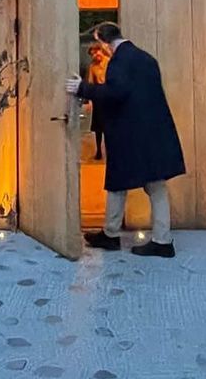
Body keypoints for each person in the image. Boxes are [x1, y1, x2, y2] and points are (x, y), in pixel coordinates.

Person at [65, 21, 185, 257]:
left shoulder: (119, 61)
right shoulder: (147, 59)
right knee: (155, 185)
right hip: (155, 131)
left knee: (118, 182)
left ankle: (113, 235)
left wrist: (82, 88)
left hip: (130, 134)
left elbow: (115, 93)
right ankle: (161, 239)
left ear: (103, 42)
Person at [86, 40, 109, 160]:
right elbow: (91, 83)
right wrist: (90, 101)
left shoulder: (109, 62)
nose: (95, 55)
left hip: (109, 93)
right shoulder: (92, 67)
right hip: (98, 96)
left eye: (96, 52)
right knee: (98, 126)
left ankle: (110, 149)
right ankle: (99, 150)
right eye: (93, 54)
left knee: (109, 125)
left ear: (101, 50)